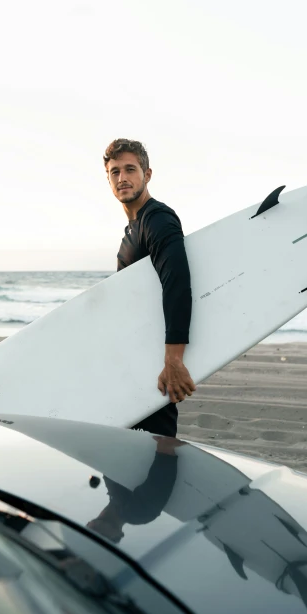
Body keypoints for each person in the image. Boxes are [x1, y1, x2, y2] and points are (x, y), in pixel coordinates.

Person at [103, 138, 195, 438]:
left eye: (130, 169)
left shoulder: (157, 220)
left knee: (158, 450)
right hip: (134, 359)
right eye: (115, 172)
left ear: (147, 174)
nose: (122, 178)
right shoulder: (132, 230)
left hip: (154, 362)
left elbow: (176, 283)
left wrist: (174, 360)